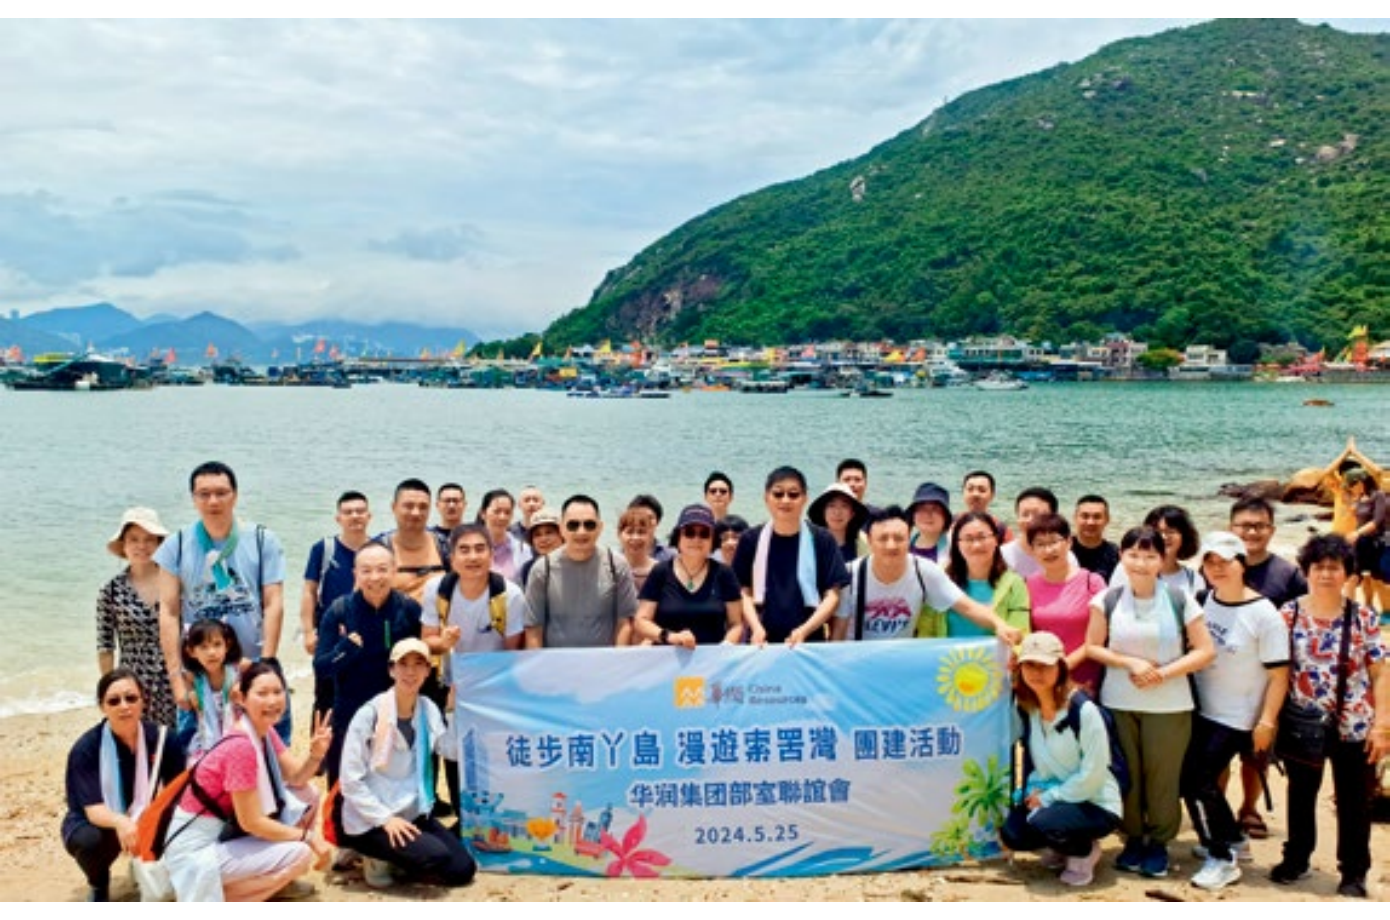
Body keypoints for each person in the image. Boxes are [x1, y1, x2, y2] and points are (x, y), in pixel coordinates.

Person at [1085, 525, 1216, 879]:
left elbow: (1205, 650)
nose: (1140, 563)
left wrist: (1163, 673)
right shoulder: (1107, 599)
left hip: (1170, 705)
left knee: (1163, 777)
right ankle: (1132, 837)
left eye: (1149, 556)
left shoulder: (1179, 598)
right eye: (1133, 555)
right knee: (1127, 774)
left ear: (1162, 559)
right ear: (1121, 557)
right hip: (1119, 701)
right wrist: (1130, 663)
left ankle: (1158, 843)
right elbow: (1093, 646)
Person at [1269, 535, 1388, 898]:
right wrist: (1269, 719)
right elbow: (1277, 672)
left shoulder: (1363, 617)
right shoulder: (1288, 614)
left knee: (1355, 801)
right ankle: (1296, 859)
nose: (1325, 574)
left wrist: (1382, 725)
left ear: (1347, 574)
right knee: (1300, 794)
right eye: (1318, 567)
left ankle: (1354, 871)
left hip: (1354, 725)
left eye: (1334, 567)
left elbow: (1380, 673)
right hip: (1302, 723)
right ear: (1306, 572)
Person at [162, 663, 332, 902]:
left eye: (278, 691)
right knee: (299, 854)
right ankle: (216, 896)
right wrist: (308, 836)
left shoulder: (264, 730)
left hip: (222, 832)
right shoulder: (241, 746)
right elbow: (251, 822)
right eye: (262, 693)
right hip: (196, 847)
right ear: (241, 699)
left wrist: (316, 754)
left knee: (308, 794)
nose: (272, 700)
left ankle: (260, 884)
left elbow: (296, 777)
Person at [1179, 532, 1289, 891]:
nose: (1217, 568)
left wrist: (1267, 721)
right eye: (1210, 562)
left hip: (1237, 716)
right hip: (1202, 708)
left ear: (1242, 564)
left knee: (1197, 780)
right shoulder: (1205, 600)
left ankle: (1223, 856)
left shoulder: (1264, 614)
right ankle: (1231, 841)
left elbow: (1279, 675)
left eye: (1225, 561)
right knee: (1195, 781)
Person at [156, 461, 289, 743]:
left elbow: (273, 602)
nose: (213, 501)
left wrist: (267, 664)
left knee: (270, 752)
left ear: (235, 496)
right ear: (193, 498)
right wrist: (176, 679)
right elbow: (168, 612)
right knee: (199, 755)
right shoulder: (175, 545)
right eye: (204, 494)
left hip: (253, 665)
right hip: (201, 674)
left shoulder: (263, 540)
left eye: (221, 493)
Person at [335, 639, 476, 890]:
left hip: (412, 811)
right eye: (403, 664)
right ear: (391, 670)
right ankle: (373, 857)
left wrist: (452, 711)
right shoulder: (370, 714)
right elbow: (350, 781)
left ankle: (399, 857)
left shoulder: (427, 708)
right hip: (373, 818)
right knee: (435, 855)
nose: (411, 672)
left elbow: (450, 751)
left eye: (418, 664)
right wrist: (385, 819)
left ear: (428, 671)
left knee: (463, 870)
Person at [1002, 633, 1121, 888]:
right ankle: (1061, 846)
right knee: (1013, 833)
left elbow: (1093, 774)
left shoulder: (1083, 711)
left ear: (1061, 667)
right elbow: (1007, 735)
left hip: (1095, 801)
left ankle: (1084, 851)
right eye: (1029, 664)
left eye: (1045, 665)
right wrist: (1006, 683)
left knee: (1045, 823)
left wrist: (1048, 797)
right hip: (1051, 794)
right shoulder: (1028, 707)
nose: (1037, 673)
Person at [62, 669, 186, 901]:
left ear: (143, 701)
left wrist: (155, 823)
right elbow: (94, 810)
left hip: (145, 814)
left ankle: (151, 868)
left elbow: (176, 794)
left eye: (131, 698)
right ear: (102, 706)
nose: (124, 706)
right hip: (98, 822)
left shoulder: (164, 740)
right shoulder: (86, 749)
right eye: (114, 701)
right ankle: (98, 883)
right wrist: (122, 822)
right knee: (88, 841)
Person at [1228, 494, 1307, 839]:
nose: (1251, 532)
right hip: (1221, 677)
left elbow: (1303, 622)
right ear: (1231, 528)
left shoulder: (1287, 574)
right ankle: (1218, 809)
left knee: (1257, 752)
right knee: (1217, 754)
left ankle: (1249, 808)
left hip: (1268, 680)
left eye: (1259, 526)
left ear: (1272, 530)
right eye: (1244, 525)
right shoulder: (1217, 567)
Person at [313, 543, 423, 787]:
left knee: (394, 785)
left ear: (394, 570)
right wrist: (345, 650)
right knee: (343, 787)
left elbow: (424, 664)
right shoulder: (339, 611)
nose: (375, 577)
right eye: (366, 570)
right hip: (349, 711)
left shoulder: (409, 610)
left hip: (396, 712)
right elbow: (321, 667)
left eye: (382, 569)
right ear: (355, 574)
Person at [833, 506, 1022, 644]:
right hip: (858, 656)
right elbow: (839, 630)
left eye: (899, 538)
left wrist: (999, 625)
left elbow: (966, 607)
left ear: (909, 539)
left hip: (901, 656)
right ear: (870, 542)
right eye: (883, 539)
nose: (891, 545)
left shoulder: (924, 571)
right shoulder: (851, 574)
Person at [732, 466, 851, 646]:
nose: (785, 500)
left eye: (793, 494)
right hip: (761, 641)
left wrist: (805, 630)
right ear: (766, 498)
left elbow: (833, 595)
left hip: (809, 640)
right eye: (778, 494)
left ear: (805, 499)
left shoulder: (822, 539)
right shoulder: (751, 539)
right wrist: (755, 627)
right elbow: (743, 591)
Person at [524, 495, 637, 649]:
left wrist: (617, 659)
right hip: (557, 661)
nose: (581, 532)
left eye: (589, 525)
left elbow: (625, 622)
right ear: (562, 529)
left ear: (600, 528)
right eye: (573, 525)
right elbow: (534, 628)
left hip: (604, 661)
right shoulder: (542, 569)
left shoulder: (617, 565)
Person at [98, 507, 176, 728]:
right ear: (123, 545)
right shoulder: (110, 591)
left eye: (149, 539)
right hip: (133, 687)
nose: (142, 546)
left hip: (175, 680)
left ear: (159, 544)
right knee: (138, 743)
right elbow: (105, 646)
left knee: (178, 744)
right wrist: (111, 692)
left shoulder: (176, 583)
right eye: (134, 539)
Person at [300, 490, 372, 723]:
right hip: (330, 637)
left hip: (367, 634)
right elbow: (309, 591)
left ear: (369, 516)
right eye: (348, 512)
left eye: (360, 511)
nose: (355, 516)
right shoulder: (324, 549)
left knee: (366, 695)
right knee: (325, 698)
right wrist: (308, 632)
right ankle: (321, 745)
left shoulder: (378, 550)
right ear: (338, 518)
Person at [633, 504, 745, 646]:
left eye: (704, 533)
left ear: (713, 540)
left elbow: (736, 624)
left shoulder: (724, 574)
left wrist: (725, 646)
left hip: (712, 657)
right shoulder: (660, 572)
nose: (696, 539)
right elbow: (641, 621)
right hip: (666, 655)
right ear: (678, 537)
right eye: (689, 533)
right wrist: (669, 636)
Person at [1024, 513, 1107, 692]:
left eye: (1054, 541)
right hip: (1041, 678)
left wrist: (1063, 667)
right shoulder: (1028, 585)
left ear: (1069, 542)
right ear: (1031, 550)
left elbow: (1099, 637)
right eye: (1040, 544)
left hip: (1085, 678)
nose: (1048, 550)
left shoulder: (1092, 582)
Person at [916, 511, 1030, 640]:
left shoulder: (1014, 584)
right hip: (946, 653)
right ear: (957, 544)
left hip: (994, 653)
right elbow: (926, 634)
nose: (976, 545)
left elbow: (1019, 635)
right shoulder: (941, 581)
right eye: (968, 539)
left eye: (982, 537)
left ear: (996, 539)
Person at [376, 479, 450, 604]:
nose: (416, 513)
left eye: (423, 507)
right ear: (394, 507)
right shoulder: (378, 550)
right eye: (409, 506)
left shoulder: (444, 546)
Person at [178, 618, 243, 758]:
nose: (212, 652)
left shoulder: (238, 670)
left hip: (238, 737)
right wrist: (190, 694)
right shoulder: (192, 677)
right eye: (204, 647)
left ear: (227, 645)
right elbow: (185, 711)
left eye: (217, 644)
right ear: (191, 651)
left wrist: (241, 687)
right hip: (205, 741)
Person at [1109, 504, 1205, 598]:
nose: (1163, 537)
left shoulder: (1193, 579)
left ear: (1185, 537)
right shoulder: (1129, 569)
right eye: (1157, 532)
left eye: (1170, 531)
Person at [1002, 486, 1076, 581]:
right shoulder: (1003, 555)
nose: (1030, 520)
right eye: (1025, 514)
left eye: (1037, 515)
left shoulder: (1065, 557)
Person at [1341, 467, 1388, 611]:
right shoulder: (1359, 497)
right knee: (1354, 576)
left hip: (1375, 542)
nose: (1350, 488)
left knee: (1376, 578)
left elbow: (1377, 521)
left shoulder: (1378, 495)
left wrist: (1357, 533)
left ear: (1361, 482)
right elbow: (1357, 518)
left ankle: (1384, 610)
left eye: (1351, 485)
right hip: (1360, 542)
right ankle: (1351, 609)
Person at [475, 487, 532, 585]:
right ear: (483, 513)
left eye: (507, 512)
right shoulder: (469, 547)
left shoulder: (523, 549)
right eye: (497, 511)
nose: (502, 517)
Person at [807, 482, 869, 562]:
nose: (837, 512)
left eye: (844, 506)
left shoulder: (863, 544)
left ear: (852, 514)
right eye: (831, 505)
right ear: (823, 511)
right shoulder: (809, 544)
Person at [1072, 494, 1120, 583]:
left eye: (1097, 517)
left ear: (1107, 520)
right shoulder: (1063, 550)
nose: (1090, 522)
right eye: (1085, 516)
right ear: (1075, 518)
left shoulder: (1115, 554)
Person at [905, 482, 951, 563]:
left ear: (945, 517)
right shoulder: (902, 545)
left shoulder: (955, 548)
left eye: (935, 509)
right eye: (921, 509)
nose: (928, 514)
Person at [518, 505, 564, 587]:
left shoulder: (576, 564)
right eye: (537, 535)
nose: (543, 539)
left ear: (562, 535)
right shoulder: (529, 568)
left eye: (549, 532)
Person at [961, 470, 1012, 542]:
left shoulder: (1001, 530)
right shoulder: (951, 524)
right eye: (970, 489)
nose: (975, 494)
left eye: (982, 490)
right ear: (963, 492)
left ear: (992, 495)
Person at [617, 505, 658, 595]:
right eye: (630, 532)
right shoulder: (612, 569)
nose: (635, 537)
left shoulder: (660, 571)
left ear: (650, 536)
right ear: (619, 535)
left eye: (641, 532)